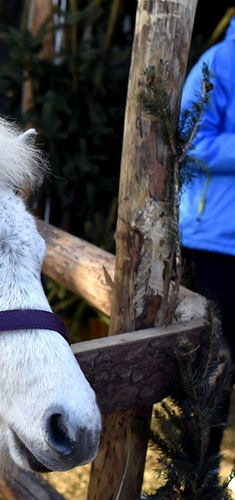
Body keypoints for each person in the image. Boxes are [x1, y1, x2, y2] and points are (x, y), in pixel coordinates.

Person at [178, 14, 235, 461]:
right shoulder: (219, 62)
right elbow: (191, 141)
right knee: (217, 363)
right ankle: (201, 478)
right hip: (217, 239)